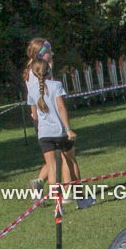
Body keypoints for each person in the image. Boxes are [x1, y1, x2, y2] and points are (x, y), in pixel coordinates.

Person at [26, 58, 95, 210]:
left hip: (44, 134)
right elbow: (61, 108)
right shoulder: (56, 85)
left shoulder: (31, 91)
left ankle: (58, 206)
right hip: (60, 132)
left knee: (52, 168)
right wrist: (68, 128)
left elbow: (34, 116)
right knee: (71, 162)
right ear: (47, 70)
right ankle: (81, 200)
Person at [23, 38, 52, 195]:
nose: (51, 54)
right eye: (48, 51)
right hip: (44, 119)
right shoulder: (36, 72)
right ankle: (60, 193)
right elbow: (37, 99)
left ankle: (39, 183)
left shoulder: (41, 68)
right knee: (55, 158)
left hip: (46, 118)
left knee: (56, 157)